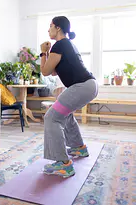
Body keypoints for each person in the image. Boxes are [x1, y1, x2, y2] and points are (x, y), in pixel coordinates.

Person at [40, 16, 98, 178]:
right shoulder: (66, 45)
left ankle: (63, 164)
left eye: (50, 26)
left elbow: (44, 72)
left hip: (82, 86)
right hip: (89, 85)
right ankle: (78, 147)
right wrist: (46, 53)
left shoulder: (60, 44)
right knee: (64, 114)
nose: (48, 29)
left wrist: (42, 53)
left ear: (58, 28)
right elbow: (52, 71)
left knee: (51, 118)